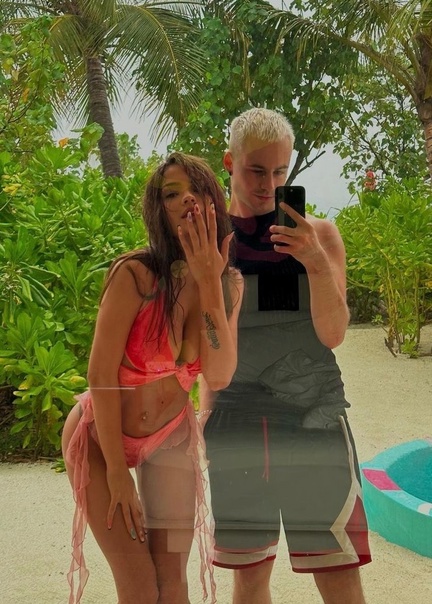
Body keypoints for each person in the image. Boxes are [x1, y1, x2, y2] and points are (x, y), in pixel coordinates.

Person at [199, 108, 372, 604]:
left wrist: (313, 259)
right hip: (235, 419)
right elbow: (210, 343)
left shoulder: (321, 234)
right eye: (256, 170)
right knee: (249, 573)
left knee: (337, 571)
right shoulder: (214, 244)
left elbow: (333, 334)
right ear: (229, 162)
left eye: (280, 171)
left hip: (314, 415)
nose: (268, 184)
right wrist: (204, 419)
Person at [61, 152, 244, 604]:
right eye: (171, 194)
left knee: (173, 584)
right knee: (140, 587)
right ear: (158, 210)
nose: (187, 200)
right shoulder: (135, 275)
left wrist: (209, 283)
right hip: (101, 441)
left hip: (170, 438)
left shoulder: (229, 285)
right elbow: (100, 374)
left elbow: (218, 375)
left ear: (214, 202)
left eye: (197, 190)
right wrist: (118, 474)